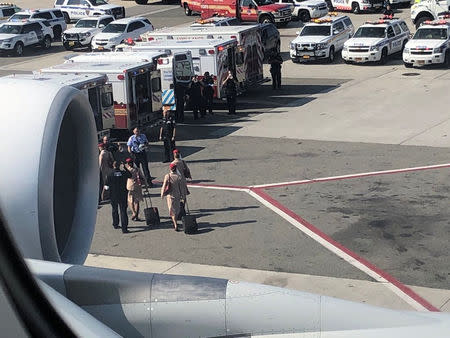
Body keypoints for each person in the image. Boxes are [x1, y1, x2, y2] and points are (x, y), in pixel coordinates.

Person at [104, 161, 132, 233]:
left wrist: (105, 193)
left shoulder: (109, 174)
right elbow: (130, 175)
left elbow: (106, 186)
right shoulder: (123, 173)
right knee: (123, 211)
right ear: (119, 166)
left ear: (113, 166)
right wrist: (125, 168)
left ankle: (115, 224)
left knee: (114, 209)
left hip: (113, 195)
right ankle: (124, 228)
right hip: (122, 194)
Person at [160, 162, 188, 231]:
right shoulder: (179, 177)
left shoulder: (167, 176)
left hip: (170, 196)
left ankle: (175, 223)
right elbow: (182, 188)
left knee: (172, 210)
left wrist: (162, 194)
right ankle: (176, 220)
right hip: (177, 195)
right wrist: (183, 195)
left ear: (170, 169)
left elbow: (164, 186)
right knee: (177, 209)